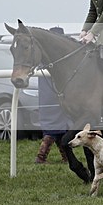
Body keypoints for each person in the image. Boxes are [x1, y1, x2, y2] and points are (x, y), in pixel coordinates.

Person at [35, 26, 72, 164]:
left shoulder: (45, 55)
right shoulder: (57, 56)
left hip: (49, 97)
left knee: (59, 128)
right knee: (54, 128)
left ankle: (66, 157)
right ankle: (41, 156)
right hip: (54, 95)